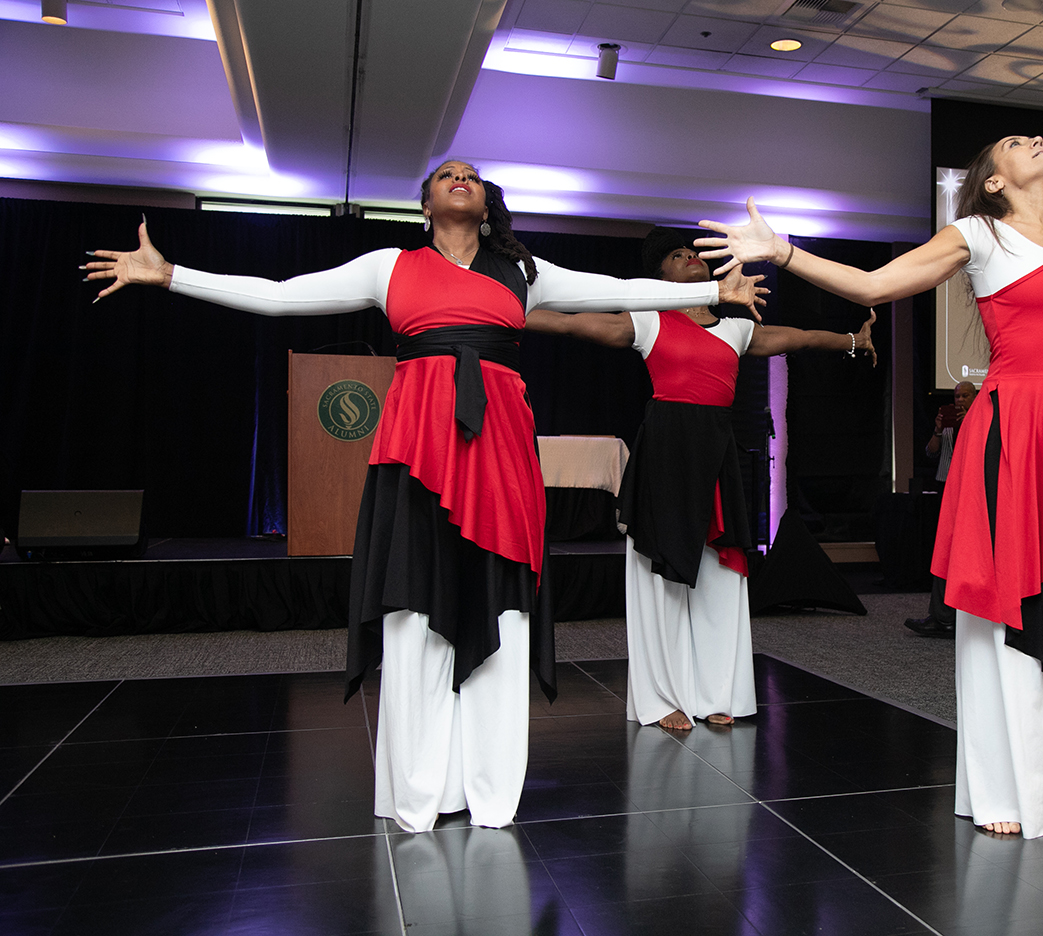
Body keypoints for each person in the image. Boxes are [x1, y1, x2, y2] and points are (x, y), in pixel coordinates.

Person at [83, 160, 765, 834]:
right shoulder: (389, 266)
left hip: (500, 461)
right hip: (417, 461)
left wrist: (713, 292)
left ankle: (492, 795)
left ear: (488, 201)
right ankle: (418, 794)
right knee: (413, 613)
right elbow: (282, 293)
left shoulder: (525, 273)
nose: (459, 175)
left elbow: (617, 287)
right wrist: (170, 275)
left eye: (470, 173)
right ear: (426, 203)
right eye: (445, 174)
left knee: (503, 615)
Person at [696, 135, 1043, 838]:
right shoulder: (977, 233)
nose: (1034, 141)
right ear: (995, 182)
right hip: (1014, 434)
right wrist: (782, 250)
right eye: (1014, 144)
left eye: (1034, 137)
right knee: (1009, 607)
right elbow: (876, 286)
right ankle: (1006, 787)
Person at [529, 227, 876, 731]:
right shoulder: (648, 320)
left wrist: (851, 340)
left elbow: (798, 338)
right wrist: (505, 312)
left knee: (721, 577)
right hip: (666, 454)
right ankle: (661, 697)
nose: (689, 258)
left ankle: (719, 692)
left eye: (694, 253)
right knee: (660, 582)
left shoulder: (736, 329)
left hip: (717, 456)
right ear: (660, 273)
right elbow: (573, 326)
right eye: (676, 254)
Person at [905, 380, 976, 639]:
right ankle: (943, 616)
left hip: (970, 494)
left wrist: (970, 422)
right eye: (957, 396)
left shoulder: (980, 421)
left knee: (960, 554)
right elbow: (930, 453)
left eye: (965, 395)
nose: (959, 400)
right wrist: (937, 430)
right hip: (945, 489)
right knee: (944, 553)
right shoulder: (947, 425)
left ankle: (953, 617)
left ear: (975, 397)